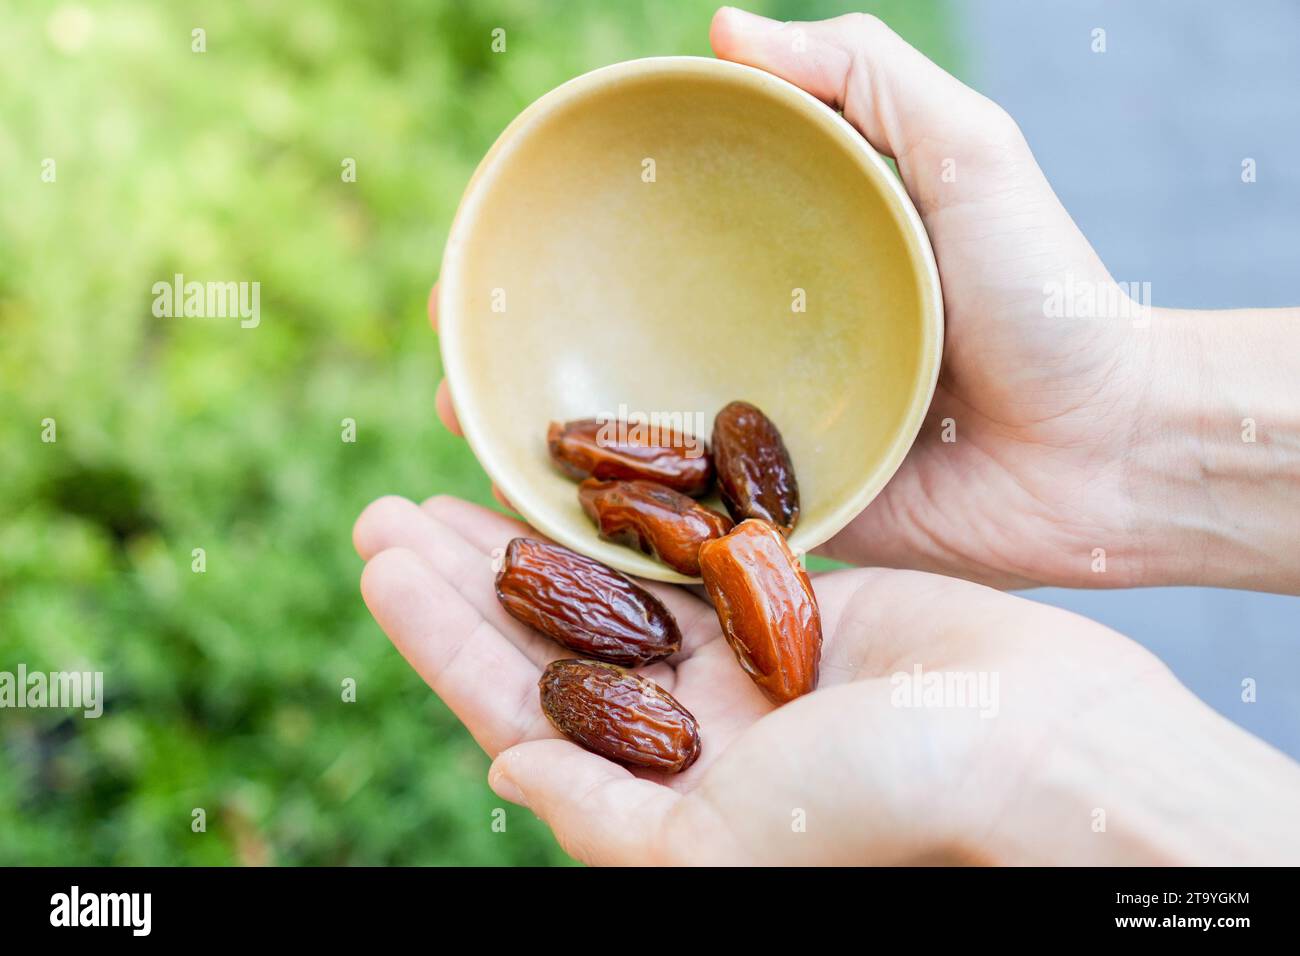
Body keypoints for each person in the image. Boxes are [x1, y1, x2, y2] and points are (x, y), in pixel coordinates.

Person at [352, 8, 1300, 864]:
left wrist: (1116, 422)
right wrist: (1118, 426)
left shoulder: (723, 512)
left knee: (697, 516)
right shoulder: (711, 510)